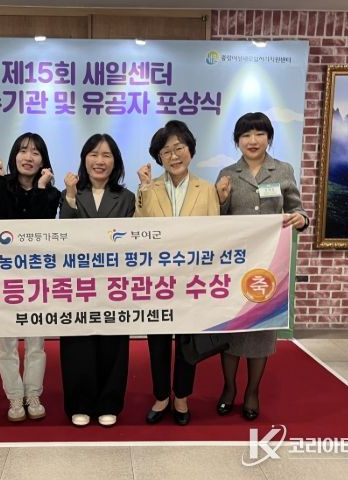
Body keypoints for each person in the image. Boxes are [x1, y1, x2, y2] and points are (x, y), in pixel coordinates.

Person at [215, 111, 309, 421]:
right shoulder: (227, 174)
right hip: (235, 266)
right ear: (237, 141)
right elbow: (216, 220)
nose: (252, 140)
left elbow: (298, 210)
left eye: (259, 134)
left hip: (269, 266)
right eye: (246, 135)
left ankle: (252, 391)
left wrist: (301, 219)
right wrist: (222, 198)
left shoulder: (282, 170)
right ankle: (229, 388)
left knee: (261, 330)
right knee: (232, 330)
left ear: (269, 137)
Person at [136, 120, 220, 426]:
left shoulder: (206, 189)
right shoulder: (149, 187)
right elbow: (138, 230)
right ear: (159, 157)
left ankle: (181, 396)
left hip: (191, 279)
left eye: (179, 148)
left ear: (190, 151)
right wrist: (144, 189)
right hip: (157, 280)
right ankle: (161, 396)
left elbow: (215, 235)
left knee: (187, 341)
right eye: (166, 151)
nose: (174, 156)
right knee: (157, 341)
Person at [0, 132, 61, 422]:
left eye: (35, 152)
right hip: (5, 276)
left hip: (37, 277)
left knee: (36, 342)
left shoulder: (51, 193)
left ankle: (33, 394)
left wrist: (39, 189)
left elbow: (38, 230)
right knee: (6, 343)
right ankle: (14, 397)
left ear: (43, 161)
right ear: (14, 155)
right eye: (23, 151)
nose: (28, 157)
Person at [59, 133, 135, 428]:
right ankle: (79, 403)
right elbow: (64, 235)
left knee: (113, 344)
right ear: (84, 159)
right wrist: (69, 196)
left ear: (115, 162)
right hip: (78, 283)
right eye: (93, 154)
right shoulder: (70, 193)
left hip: (114, 283)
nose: (99, 161)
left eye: (106, 155)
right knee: (77, 343)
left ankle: (109, 402)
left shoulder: (126, 197)